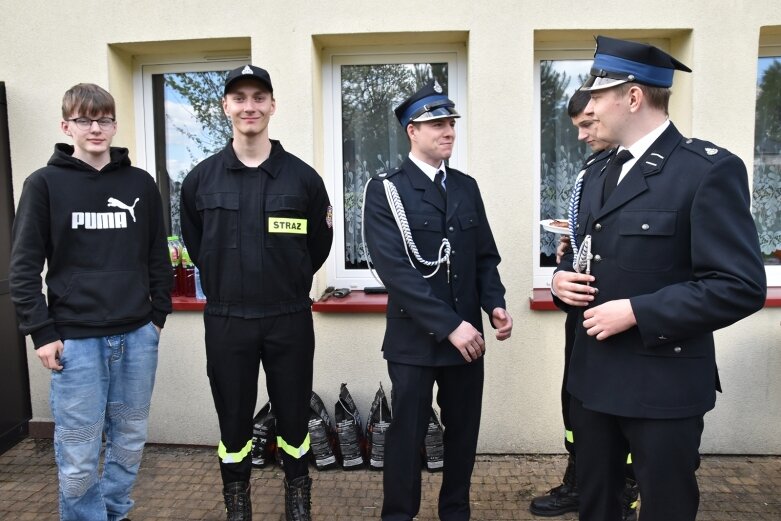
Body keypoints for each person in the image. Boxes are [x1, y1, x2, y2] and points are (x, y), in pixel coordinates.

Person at [552, 36, 767, 521]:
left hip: (662, 386)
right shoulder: (598, 171)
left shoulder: (707, 171)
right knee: (598, 507)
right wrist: (562, 282)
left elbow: (740, 285)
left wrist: (636, 311)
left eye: (598, 95)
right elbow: (587, 256)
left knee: (665, 508)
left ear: (632, 97)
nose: (590, 105)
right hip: (593, 382)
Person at [9, 83, 171, 521]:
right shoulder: (44, 184)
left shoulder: (140, 183)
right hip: (76, 344)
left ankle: (115, 513)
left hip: (137, 338)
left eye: (103, 119)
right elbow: (23, 268)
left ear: (115, 125)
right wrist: (41, 332)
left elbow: (158, 255)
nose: (95, 128)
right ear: (67, 126)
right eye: (84, 119)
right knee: (79, 453)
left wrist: (157, 317)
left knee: (129, 443)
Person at [180, 64, 333, 521]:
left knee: (292, 418)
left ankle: (298, 499)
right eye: (240, 97)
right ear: (225, 106)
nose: (250, 106)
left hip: (288, 317)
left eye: (259, 97)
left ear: (272, 106)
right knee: (233, 421)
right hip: (228, 319)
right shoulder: (200, 180)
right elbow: (196, 245)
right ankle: (238, 504)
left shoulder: (303, 180)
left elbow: (317, 248)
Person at [363, 80, 513, 521]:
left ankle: (455, 513)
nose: (448, 131)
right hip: (416, 338)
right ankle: (398, 515)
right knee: (406, 437)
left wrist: (496, 304)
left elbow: (484, 257)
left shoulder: (466, 187)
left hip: (468, 337)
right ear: (412, 130)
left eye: (451, 123)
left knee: (463, 436)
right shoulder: (386, 189)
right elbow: (396, 272)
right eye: (436, 124)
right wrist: (450, 325)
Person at [531, 89, 639, 520]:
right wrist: (559, 276)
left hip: (631, 323)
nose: (583, 135)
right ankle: (581, 481)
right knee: (575, 406)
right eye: (577, 126)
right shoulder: (592, 172)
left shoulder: (661, 170)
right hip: (583, 318)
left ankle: (627, 488)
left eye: (588, 124)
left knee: (625, 415)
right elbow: (579, 246)